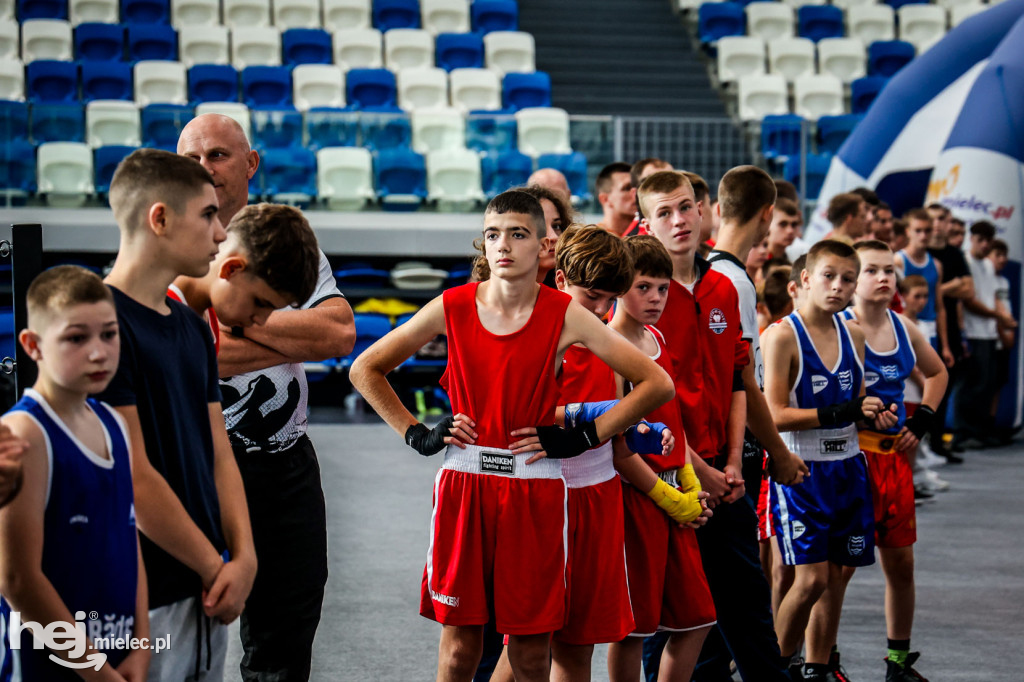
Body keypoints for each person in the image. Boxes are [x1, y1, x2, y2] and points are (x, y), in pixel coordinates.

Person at [349, 190, 675, 682]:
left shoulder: (564, 313)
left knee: (528, 652)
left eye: (518, 234)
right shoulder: (452, 305)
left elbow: (656, 383)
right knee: (459, 650)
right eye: (494, 234)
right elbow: (365, 368)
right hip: (465, 483)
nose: (504, 245)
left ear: (544, 243)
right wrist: (415, 433)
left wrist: (586, 435)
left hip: (536, 488)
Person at [177, 113, 356, 681]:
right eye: (192, 158)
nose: (204, 169)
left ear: (251, 163)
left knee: (287, 631)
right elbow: (198, 353)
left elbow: (340, 334)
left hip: (284, 466)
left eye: (218, 155)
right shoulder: (168, 248)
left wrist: (237, 326)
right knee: (183, 632)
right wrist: (287, 333)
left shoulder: (282, 237)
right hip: (195, 467)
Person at [96, 148, 256, 681]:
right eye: (208, 215)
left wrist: (244, 556)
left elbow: (218, 449)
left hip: (205, 580)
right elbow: (132, 474)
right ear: (159, 218)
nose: (219, 233)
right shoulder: (99, 327)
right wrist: (216, 565)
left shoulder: (190, 327)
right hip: (143, 585)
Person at [637, 170, 792, 682]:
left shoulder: (725, 286)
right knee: (671, 622)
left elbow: (737, 380)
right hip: (666, 478)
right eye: (664, 212)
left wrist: (729, 462)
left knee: (748, 608)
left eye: (685, 207)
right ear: (646, 223)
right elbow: (649, 404)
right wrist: (699, 468)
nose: (678, 220)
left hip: (724, 477)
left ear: (703, 211)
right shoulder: (640, 294)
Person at [0, 266, 148, 681]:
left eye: (109, 333)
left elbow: (130, 536)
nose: (99, 352)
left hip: (116, 655)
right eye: (76, 338)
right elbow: (17, 579)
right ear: (33, 346)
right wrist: (96, 671)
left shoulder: (113, 423)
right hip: (48, 666)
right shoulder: (25, 433)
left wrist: (140, 645)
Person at [762, 240, 895, 681]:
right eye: (828, 276)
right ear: (804, 280)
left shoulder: (853, 334)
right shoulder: (782, 334)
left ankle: (816, 669)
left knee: (838, 577)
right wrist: (846, 412)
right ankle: (774, 669)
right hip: (802, 471)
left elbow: (855, 402)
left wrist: (874, 410)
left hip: (850, 464)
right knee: (811, 579)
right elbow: (775, 414)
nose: (838, 286)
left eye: (847, 279)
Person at [837, 240, 947, 681]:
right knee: (839, 570)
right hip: (851, 459)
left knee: (901, 564)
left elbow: (938, 373)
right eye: (872, 270)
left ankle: (898, 662)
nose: (884, 278)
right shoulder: (838, 326)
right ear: (851, 278)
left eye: (890, 270)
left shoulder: (903, 326)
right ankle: (823, 658)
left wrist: (921, 421)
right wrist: (861, 405)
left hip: (894, 463)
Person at [608, 234, 716, 682]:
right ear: (618, 286)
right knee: (633, 630)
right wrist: (665, 497)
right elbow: (615, 447)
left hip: (673, 491)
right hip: (636, 499)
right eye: (643, 287)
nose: (655, 298)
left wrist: (689, 483)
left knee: (698, 619)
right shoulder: (609, 347)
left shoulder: (655, 336)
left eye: (663, 288)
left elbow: (673, 421)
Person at [168, 203, 321, 350]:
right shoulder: (159, 315)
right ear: (231, 269)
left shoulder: (206, 318)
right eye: (259, 303)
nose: (261, 321)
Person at [956, 221, 1014, 449]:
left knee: (986, 384)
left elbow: (993, 298)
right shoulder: (966, 262)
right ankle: (961, 430)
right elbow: (969, 301)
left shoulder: (988, 267)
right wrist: (997, 316)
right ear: (972, 239)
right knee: (971, 385)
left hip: (990, 333)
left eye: (988, 241)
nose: (984, 245)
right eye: (980, 240)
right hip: (973, 331)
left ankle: (978, 430)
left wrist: (1000, 319)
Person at [925, 202, 973, 461]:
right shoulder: (922, 253)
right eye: (933, 219)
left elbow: (968, 290)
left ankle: (938, 443)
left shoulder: (954, 254)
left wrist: (938, 289)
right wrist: (949, 286)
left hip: (949, 327)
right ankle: (925, 444)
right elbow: (919, 293)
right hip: (924, 325)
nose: (937, 224)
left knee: (946, 383)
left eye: (943, 218)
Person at [989, 239, 1016, 441]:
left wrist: (1009, 333)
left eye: (1004, 255)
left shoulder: (1004, 282)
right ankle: (979, 427)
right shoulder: (987, 279)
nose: (1002, 259)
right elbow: (994, 311)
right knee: (985, 385)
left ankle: (991, 424)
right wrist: (1000, 330)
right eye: (997, 255)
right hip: (992, 336)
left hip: (1005, 339)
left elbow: (1006, 311)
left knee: (998, 382)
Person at [624, 158, 674, 237]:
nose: (665, 189)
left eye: (672, 181)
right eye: (654, 184)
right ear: (635, 194)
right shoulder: (632, 244)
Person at [596, 162, 637, 237]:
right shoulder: (592, 241)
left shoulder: (649, 234)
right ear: (605, 199)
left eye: (638, 187)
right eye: (627, 188)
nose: (636, 193)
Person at [766, 197, 803, 263]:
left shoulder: (795, 260)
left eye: (794, 225)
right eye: (783, 224)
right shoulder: (754, 262)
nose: (790, 230)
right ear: (767, 224)